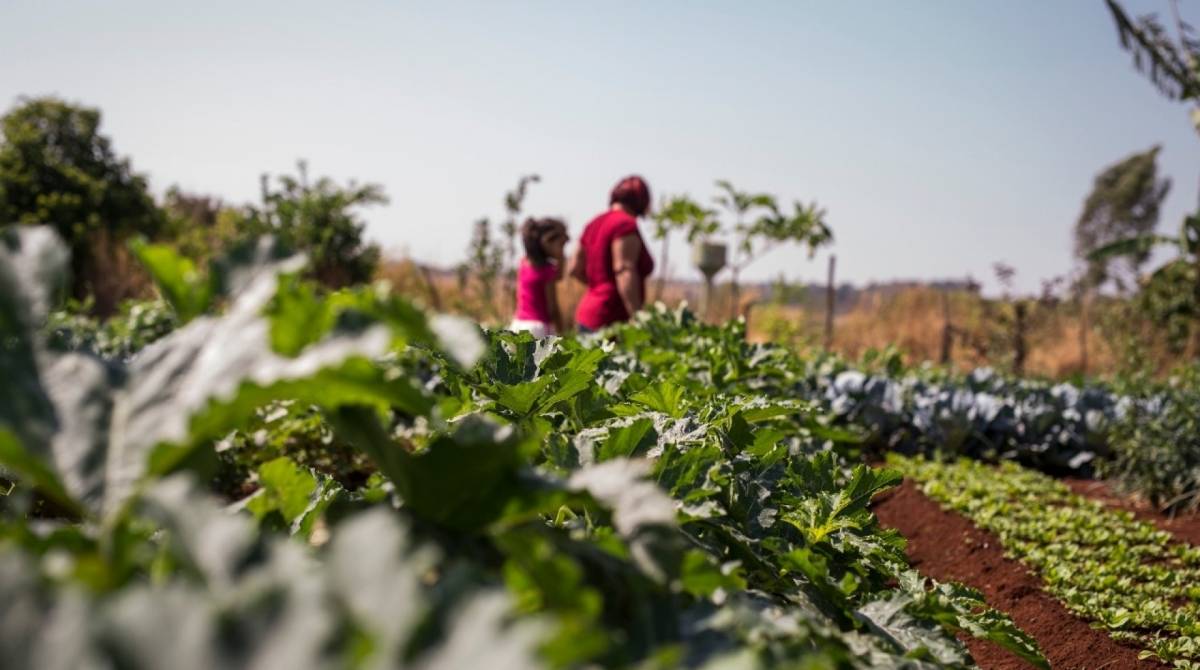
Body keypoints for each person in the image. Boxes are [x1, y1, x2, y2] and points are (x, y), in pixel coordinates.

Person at [570, 175, 655, 332]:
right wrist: (637, 317)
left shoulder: (593, 223)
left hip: (586, 315)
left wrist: (599, 287)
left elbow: (574, 268)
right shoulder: (625, 225)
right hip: (611, 320)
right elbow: (623, 270)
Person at [510, 217, 569, 338]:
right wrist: (562, 333)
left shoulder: (523, 263)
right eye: (561, 245)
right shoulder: (547, 272)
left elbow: (559, 276)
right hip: (539, 329)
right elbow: (552, 309)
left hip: (518, 324)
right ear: (547, 243)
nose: (562, 249)